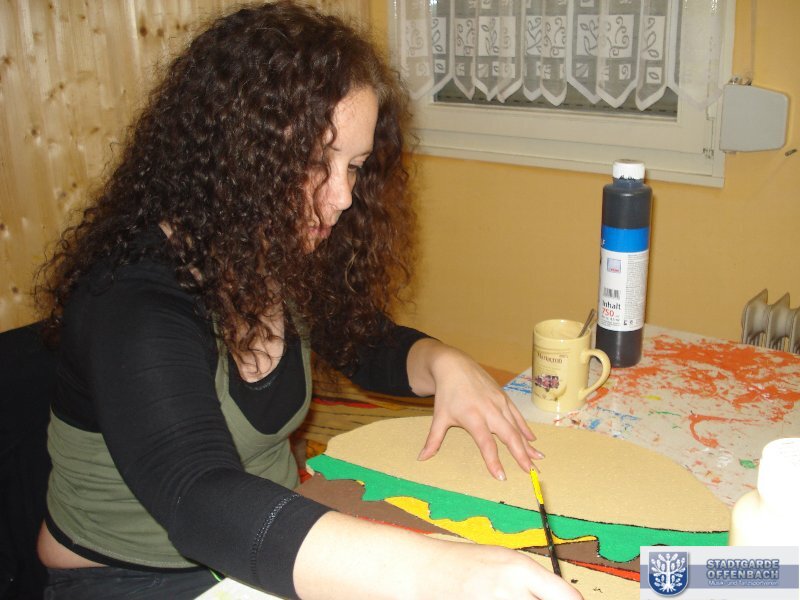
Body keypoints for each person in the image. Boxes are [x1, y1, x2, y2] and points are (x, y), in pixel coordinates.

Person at [33, 2, 583, 599]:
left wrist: (445, 363)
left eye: (356, 166)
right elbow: (200, 499)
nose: (343, 196)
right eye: (318, 162)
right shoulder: (130, 299)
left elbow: (364, 342)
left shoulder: (268, 249)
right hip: (128, 577)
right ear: (239, 152)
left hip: (259, 542)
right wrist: (440, 571)